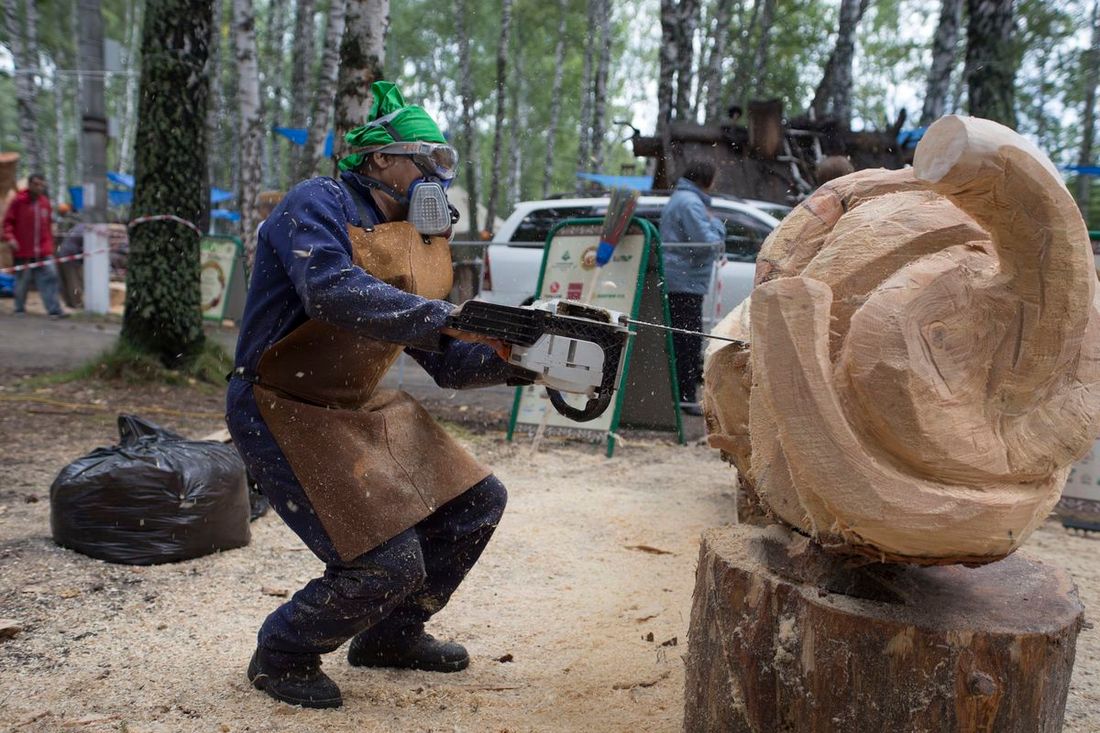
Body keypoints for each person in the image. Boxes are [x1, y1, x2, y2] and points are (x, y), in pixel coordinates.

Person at [226, 81, 516, 710]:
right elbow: (331, 291)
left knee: (476, 504)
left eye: (445, 163)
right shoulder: (318, 202)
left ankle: (391, 637)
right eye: (428, 160)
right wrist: (448, 317)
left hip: (355, 403)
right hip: (279, 404)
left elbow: (450, 366)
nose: (438, 176)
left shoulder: (414, 237)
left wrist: (525, 360)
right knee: (387, 564)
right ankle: (283, 653)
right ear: (382, 159)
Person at [658, 159, 726, 416]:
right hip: (684, 280)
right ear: (705, 179)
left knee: (682, 338)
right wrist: (718, 226)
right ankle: (685, 396)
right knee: (687, 339)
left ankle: (681, 394)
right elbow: (708, 243)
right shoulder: (690, 203)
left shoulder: (682, 199)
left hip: (682, 278)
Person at [2, 173, 66, 318]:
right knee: (22, 280)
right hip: (23, 249)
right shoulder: (18, 201)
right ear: (29, 185)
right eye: (36, 184)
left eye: (41, 185)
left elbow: (48, 225)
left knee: (51, 276)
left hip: (43, 250)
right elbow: (7, 223)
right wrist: (10, 238)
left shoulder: (45, 203)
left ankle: (54, 310)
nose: (39, 187)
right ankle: (19, 309)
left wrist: (51, 243)